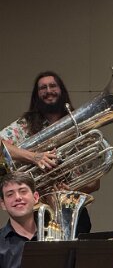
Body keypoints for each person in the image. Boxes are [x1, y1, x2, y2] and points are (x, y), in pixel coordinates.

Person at [0, 71, 97, 234]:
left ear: (61, 91)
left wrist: (69, 191)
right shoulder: (25, 125)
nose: (48, 91)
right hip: (35, 211)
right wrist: (34, 157)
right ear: (36, 95)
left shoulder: (80, 126)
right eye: (42, 88)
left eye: (53, 86)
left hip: (72, 210)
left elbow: (94, 183)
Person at [0, 172, 39, 268]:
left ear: (35, 197)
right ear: (3, 204)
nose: (18, 197)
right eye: (10, 194)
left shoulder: (58, 234)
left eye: (23, 191)